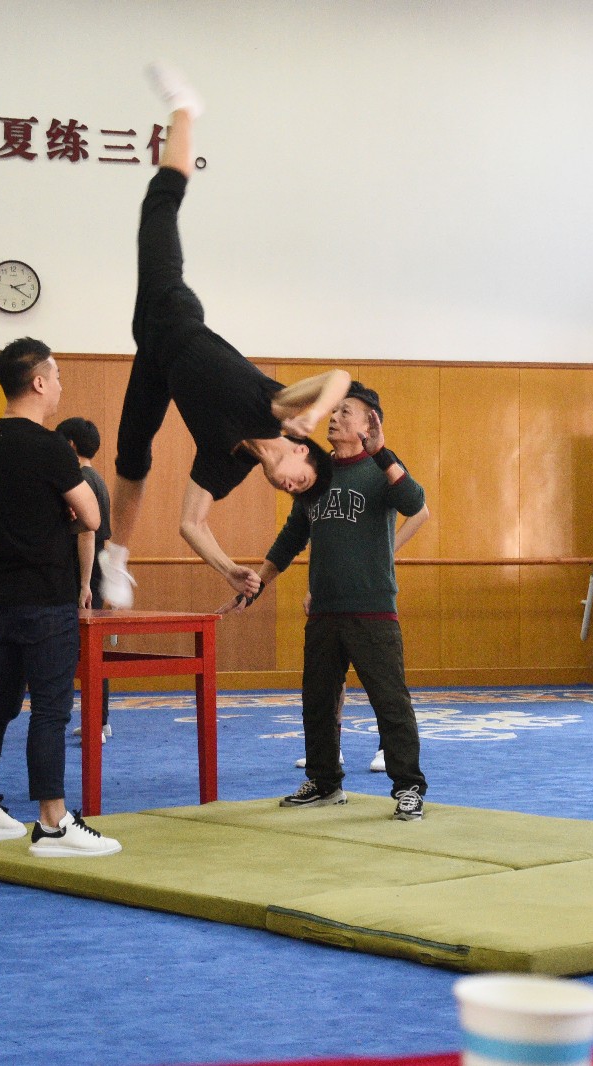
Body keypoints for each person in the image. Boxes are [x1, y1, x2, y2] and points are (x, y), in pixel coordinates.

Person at [97, 63, 349, 610]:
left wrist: (228, 568)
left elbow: (192, 524)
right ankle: (185, 107)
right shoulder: (277, 407)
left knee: (131, 458)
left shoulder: (227, 463)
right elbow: (340, 376)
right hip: (173, 313)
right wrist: (313, 413)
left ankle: (115, 558)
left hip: (155, 357)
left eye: (295, 493)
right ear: (302, 451)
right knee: (160, 203)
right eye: (303, 480)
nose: (291, 487)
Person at [228, 382, 431, 820]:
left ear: (368, 424)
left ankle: (409, 787)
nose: (334, 417)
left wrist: (383, 452)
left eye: (345, 412)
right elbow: (291, 538)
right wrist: (257, 585)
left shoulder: (380, 466)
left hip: (373, 609)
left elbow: (414, 502)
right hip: (323, 610)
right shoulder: (317, 473)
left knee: (390, 702)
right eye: (333, 411)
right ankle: (324, 782)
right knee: (317, 702)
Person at [0, 337, 119, 856]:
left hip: (0, 593)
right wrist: (65, 508)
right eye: (58, 376)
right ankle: (52, 823)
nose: (60, 386)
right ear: (38, 382)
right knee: (51, 708)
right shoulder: (50, 447)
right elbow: (91, 516)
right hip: (46, 595)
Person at [57, 416, 115, 738]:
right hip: (96, 568)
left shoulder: (80, 480)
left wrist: (83, 585)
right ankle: (100, 720)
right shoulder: (98, 478)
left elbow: (87, 534)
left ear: (70, 445)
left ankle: (97, 721)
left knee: (85, 650)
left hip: (85, 571)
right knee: (92, 650)